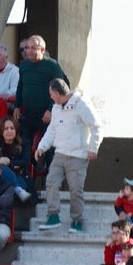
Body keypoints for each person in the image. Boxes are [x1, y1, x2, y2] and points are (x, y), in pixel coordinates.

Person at [37, 79, 102, 233]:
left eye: (51, 93)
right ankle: (53, 216)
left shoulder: (81, 104)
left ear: (58, 93)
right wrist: (42, 147)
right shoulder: (55, 108)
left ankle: (77, 221)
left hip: (78, 155)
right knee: (51, 182)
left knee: (75, 190)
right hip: (59, 153)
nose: (50, 96)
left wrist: (93, 148)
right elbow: (51, 130)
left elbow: (97, 126)